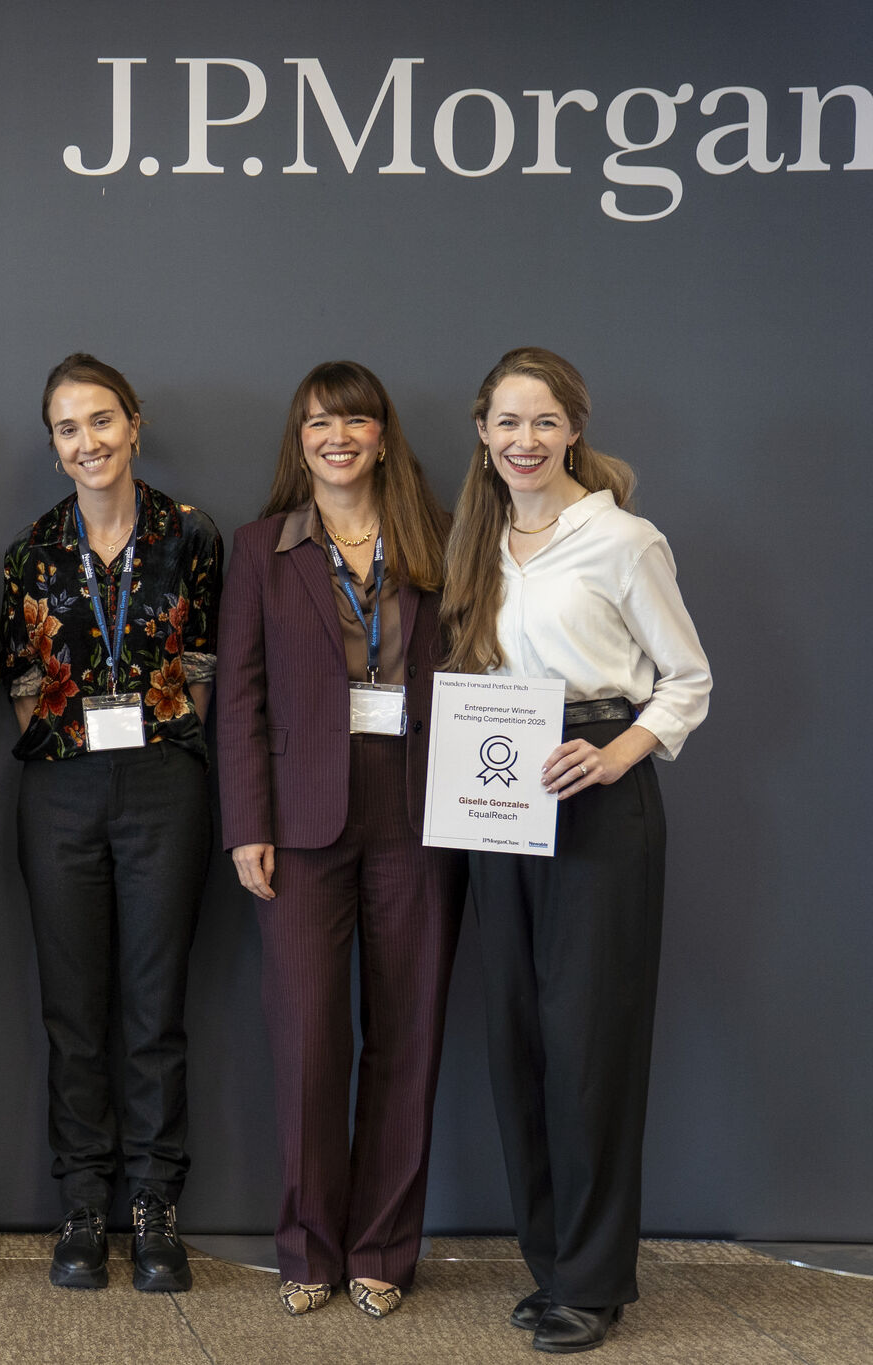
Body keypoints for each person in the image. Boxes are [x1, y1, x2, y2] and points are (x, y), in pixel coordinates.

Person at [439, 347, 710, 1354]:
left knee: (587, 1046)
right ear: (480, 431)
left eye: (543, 422)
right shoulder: (478, 541)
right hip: (497, 797)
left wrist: (616, 753)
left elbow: (685, 680)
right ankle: (550, 1263)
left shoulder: (623, 541)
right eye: (506, 422)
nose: (523, 441)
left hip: (597, 800)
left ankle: (593, 1283)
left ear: (573, 430)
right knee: (515, 1037)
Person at [216, 361, 465, 1319]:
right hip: (302, 817)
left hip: (420, 808)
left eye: (355, 419)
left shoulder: (437, 540)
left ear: (381, 433)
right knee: (310, 1035)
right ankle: (308, 1246)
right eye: (320, 421)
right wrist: (248, 824)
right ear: (300, 436)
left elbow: (480, 659)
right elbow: (237, 696)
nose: (337, 435)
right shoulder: (262, 547)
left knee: (409, 1031)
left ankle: (385, 1249)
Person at [0, 353, 222, 1292]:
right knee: (73, 1007)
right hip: (62, 789)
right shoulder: (29, 552)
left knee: (153, 1005)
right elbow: (20, 691)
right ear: (54, 449)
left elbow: (206, 668)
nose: (87, 441)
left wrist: (151, 741)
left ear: (134, 423)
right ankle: (84, 1203)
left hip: (166, 783)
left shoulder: (193, 536)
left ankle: (154, 1206)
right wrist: (82, 746)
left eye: (101, 421)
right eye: (67, 428)